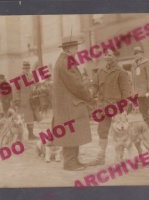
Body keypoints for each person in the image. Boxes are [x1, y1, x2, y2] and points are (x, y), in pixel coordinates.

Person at [52, 36, 93, 171]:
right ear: (68, 49)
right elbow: (76, 84)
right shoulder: (66, 62)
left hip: (68, 104)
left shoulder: (64, 60)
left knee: (73, 133)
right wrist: (89, 96)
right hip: (69, 104)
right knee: (70, 133)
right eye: (75, 47)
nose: (77, 50)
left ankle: (74, 160)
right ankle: (70, 163)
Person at [88, 49, 132, 166]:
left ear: (115, 57)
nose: (107, 57)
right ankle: (101, 157)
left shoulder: (121, 72)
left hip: (117, 108)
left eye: (110, 55)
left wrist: (124, 109)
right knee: (102, 131)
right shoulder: (101, 71)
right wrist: (90, 93)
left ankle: (119, 158)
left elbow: (126, 92)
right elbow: (95, 85)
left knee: (120, 133)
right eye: (106, 55)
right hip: (103, 107)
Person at [131, 46, 149, 130]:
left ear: (142, 54)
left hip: (147, 90)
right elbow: (133, 79)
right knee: (142, 109)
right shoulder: (133, 65)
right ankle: (147, 124)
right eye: (135, 53)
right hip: (139, 92)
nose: (137, 55)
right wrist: (134, 91)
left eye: (138, 53)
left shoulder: (147, 63)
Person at [14, 61, 37, 140]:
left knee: (30, 118)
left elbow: (34, 86)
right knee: (20, 119)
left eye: (28, 68)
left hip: (30, 100)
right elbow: (16, 90)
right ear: (22, 69)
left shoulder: (31, 76)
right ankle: (19, 137)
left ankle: (31, 135)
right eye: (25, 68)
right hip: (22, 101)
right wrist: (17, 100)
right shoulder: (19, 77)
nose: (26, 69)